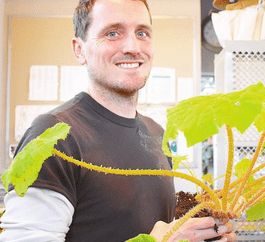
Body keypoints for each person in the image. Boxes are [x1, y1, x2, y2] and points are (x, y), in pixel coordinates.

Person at [0, 0, 236, 241]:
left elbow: (151, 228)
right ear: (79, 50)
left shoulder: (157, 133)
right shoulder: (53, 134)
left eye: (142, 33)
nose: (133, 47)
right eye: (112, 33)